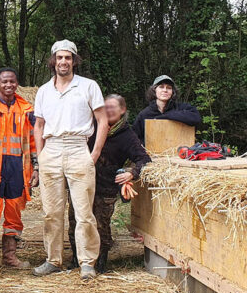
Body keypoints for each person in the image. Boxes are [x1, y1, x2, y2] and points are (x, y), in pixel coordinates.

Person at [33, 40, 107, 280]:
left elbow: (102, 121)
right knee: (51, 212)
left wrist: (93, 154)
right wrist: (40, 156)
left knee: (84, 210)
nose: (63, 62)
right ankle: (53, 259)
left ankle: (87, 262)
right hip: (51, 149)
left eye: (68, 58)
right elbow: (39, 125)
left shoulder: (88, 86)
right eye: (59, 57)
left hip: (78, 148)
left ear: (74, 60)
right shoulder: (44, 90)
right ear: (53, 60)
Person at [0, 68, 39, 270]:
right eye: (4, 81)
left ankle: (10, 257)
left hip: (18, 168)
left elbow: (34, 142)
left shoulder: (27, 110)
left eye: (12, 81)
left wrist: (36, 168)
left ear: (17, 83)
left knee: (14, 212)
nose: (8, 85)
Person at [86, 94, 151, 273]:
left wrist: (132, 172)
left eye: (112, 107)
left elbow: (144, 159)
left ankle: (101, 261)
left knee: (101, 223)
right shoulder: (91, 127)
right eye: (104, 107)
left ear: (122, 110)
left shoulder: (127, 135)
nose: (108, 110)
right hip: (83, 182)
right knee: (76, 220)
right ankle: (78, 260)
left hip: (106, 186)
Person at [132, 75, 201, 144]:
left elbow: (196, 118)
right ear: (154, 90)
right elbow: (134, 138)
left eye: (169, 88)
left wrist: (166, 116)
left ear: (172, 92)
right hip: (152, 153)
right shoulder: (144, 114)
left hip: (180, 152)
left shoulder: (181, 108)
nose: (165, 90)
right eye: (161, 87)